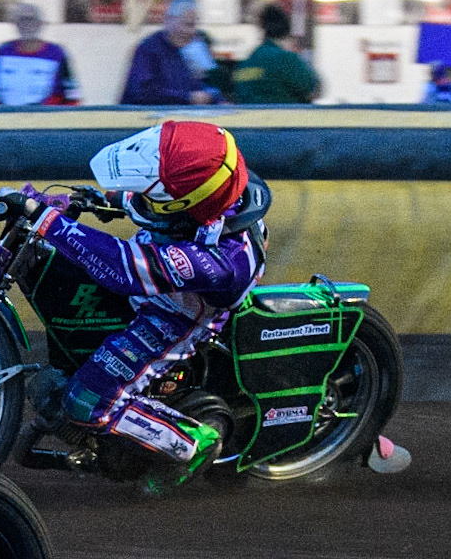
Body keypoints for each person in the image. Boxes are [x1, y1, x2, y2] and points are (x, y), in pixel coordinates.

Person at [19, 121, 268, 493]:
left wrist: (47, 221)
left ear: (185, 204)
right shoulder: (221, 188)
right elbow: (147, 203)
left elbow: (123, 268)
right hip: (166, 283)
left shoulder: (214, 260)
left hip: (175, 318)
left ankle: (193, 442)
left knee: (85, 401)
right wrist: (93, 200)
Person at [120, 0, 220, 106]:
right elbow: (142, 92)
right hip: (147, 120)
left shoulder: (196, 48)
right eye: (187, 24)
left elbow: (209, 84)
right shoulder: (148, 49)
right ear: (169, 20)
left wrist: (213, 96)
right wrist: (188, 97)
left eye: (194, 25)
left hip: (183, 119)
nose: (191, 31)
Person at [0, 4, 80, 106]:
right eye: (22, 20)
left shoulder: (57, 53)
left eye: (31, 19)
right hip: (5, 118)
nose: (27, 24)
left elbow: (72, 93)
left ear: (41, 24)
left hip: (46, 119)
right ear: (15, 24)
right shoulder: (2, 51)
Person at [233, 5, 320, 104]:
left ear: (262, 30)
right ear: (286, 32)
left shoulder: (246, 62)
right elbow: (312, 88)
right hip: (287, 117)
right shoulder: (287, 59)